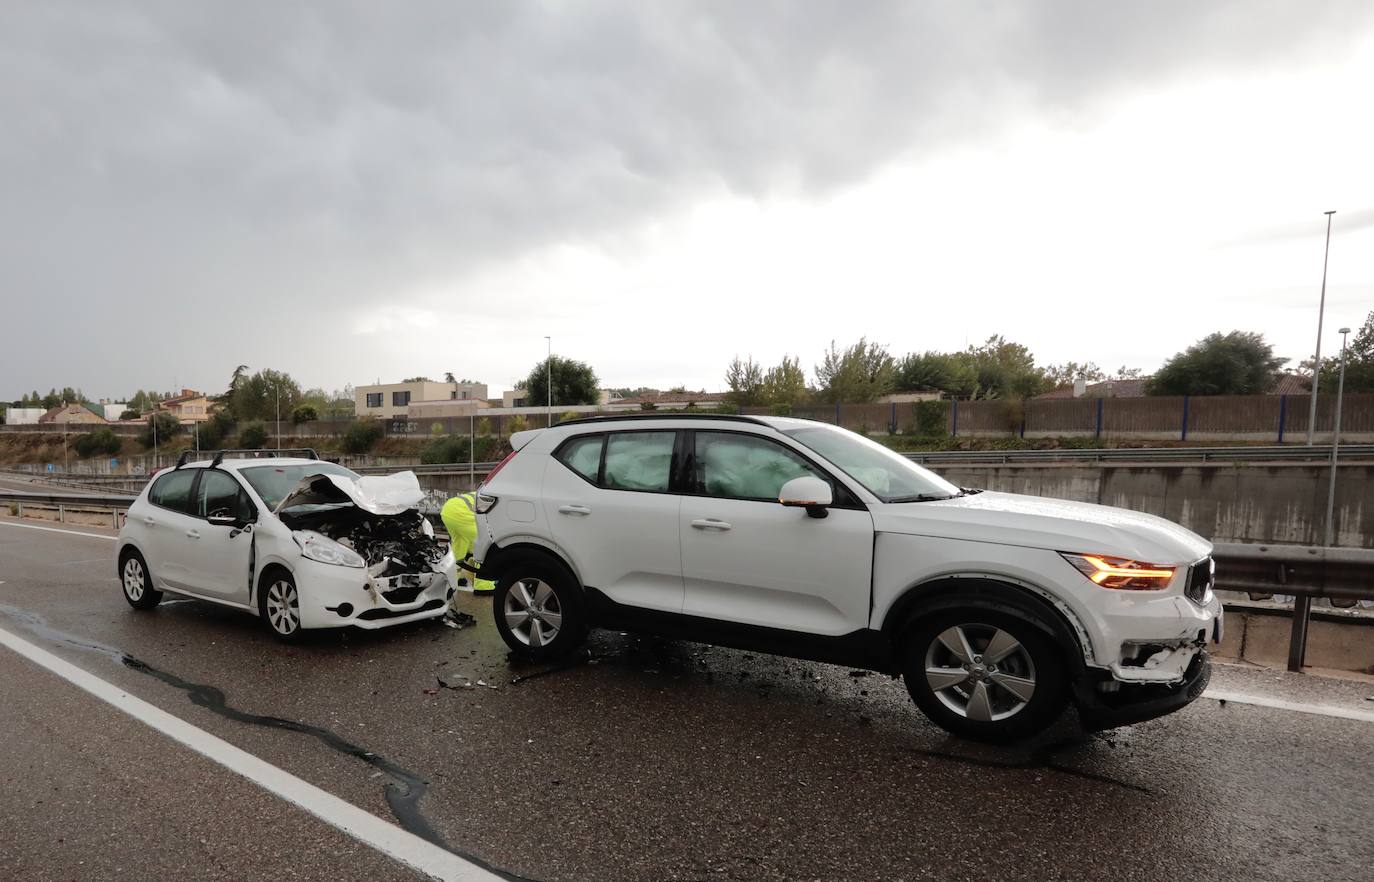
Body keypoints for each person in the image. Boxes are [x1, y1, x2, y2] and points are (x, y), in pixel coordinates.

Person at [440, 491, 495, 595]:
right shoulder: (502, 499)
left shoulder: (486, 492)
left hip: (447, 511)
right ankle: (484, 586)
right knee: (487, 547)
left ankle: (454, 578)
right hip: (462, 513)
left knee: (460, 544)